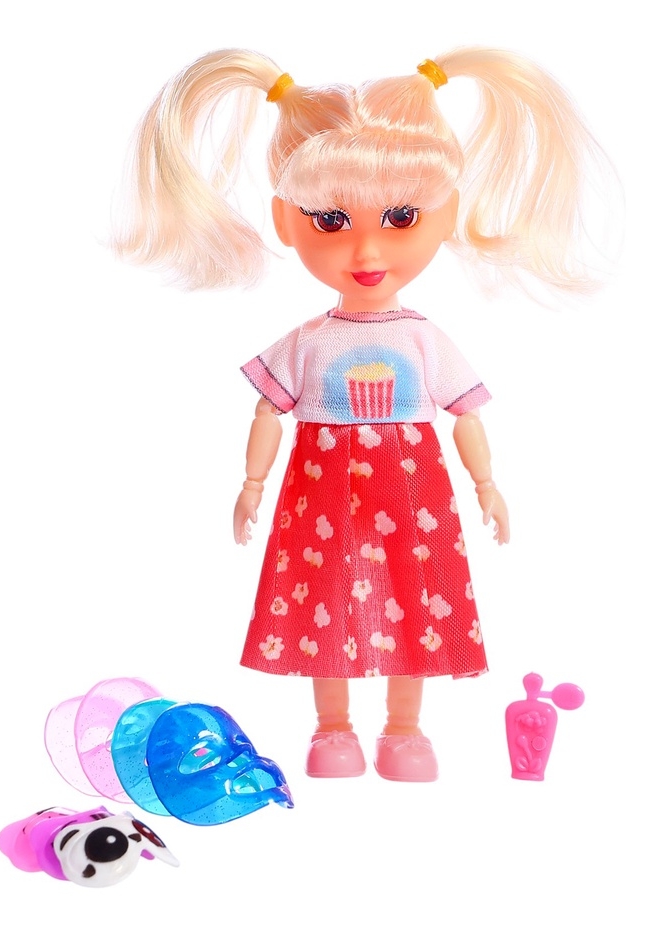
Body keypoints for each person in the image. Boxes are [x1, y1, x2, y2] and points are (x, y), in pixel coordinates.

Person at [114, 47, 607, 782]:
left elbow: (465, 414)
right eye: (331, 220)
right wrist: (251, 484)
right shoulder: (309, 340)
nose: (367, 248)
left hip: (413, 493)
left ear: (446, 215)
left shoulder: (424, 338)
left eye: (401, 217)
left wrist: (488, 484)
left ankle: (404, 729)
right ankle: (332, 728)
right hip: (321, 493)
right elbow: (269, 409)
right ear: (286, 221)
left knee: (417, 598)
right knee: (325, 601)